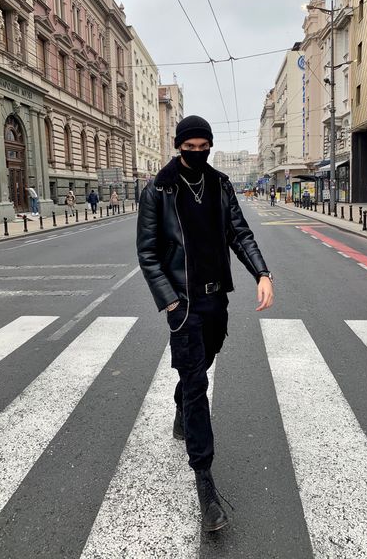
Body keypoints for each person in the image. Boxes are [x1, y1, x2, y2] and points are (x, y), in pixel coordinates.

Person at [137, 115, 274, 533]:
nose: (197, 154)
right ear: (178, 147)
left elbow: (239, 232)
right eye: (189, 148)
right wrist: (171, 303)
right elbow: (148, 252)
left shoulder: (219, 183)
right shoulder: (159, 188)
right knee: (198, 384)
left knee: (204, 363)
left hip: (216, 301)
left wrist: (262, 273)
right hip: (184, 304)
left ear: (210, 146)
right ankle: (206, 487)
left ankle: (180, 401)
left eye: (203, 147)